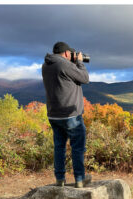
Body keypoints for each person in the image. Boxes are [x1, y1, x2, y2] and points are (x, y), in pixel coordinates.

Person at [42, 41, 91, 188]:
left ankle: (60, 179)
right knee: (77, 147)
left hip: (53, 114)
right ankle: (80, 179)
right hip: (70, 116)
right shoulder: (64, 64)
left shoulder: (46, 65)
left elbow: (65, 79)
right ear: (66, 54)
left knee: (59, 147)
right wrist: (80, 63)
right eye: (71, 54)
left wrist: (73, 63)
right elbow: (85, 78)